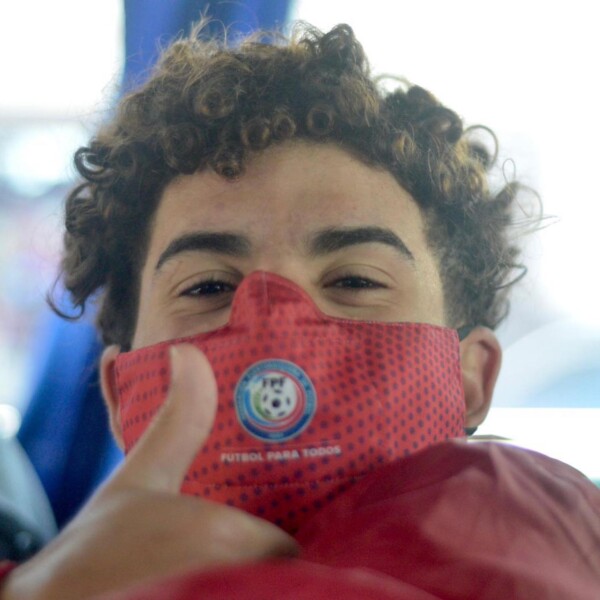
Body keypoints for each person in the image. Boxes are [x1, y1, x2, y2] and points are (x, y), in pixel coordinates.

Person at [1, 22, 599, 600]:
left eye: (355, 280)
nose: (274, 324)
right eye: (207, 287)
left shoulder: (537, 516)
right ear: (121, 396)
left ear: (470, 378)